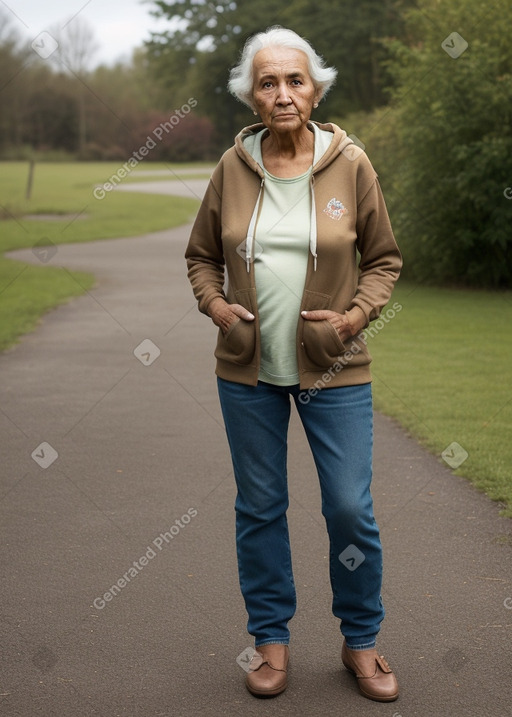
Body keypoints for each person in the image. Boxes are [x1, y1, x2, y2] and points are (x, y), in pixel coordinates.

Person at [185, 26, 402, 702]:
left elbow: (384, 261)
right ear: (251, 95)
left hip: (335, 369)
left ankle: (361, 639)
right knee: (260, 504)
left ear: (316, 88)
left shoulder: (351, 164)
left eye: (295, 80)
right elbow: (200, 257)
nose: (283, 94)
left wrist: (353, 317)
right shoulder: (231, 165)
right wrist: (216, 306)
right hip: (246, 372)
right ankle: (271, 639)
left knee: (348, 507)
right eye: (268, 82)